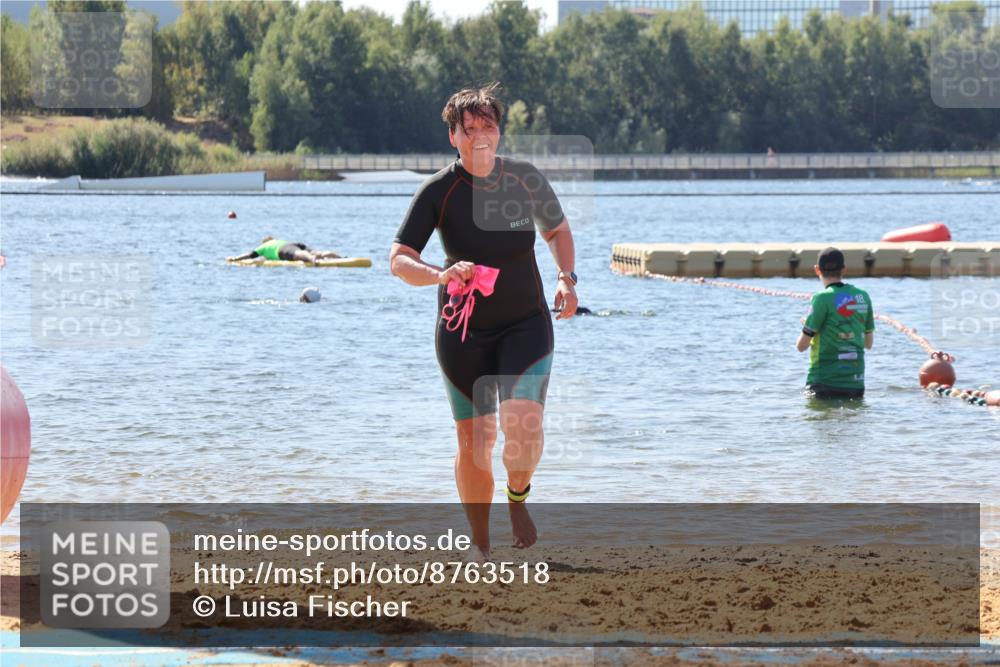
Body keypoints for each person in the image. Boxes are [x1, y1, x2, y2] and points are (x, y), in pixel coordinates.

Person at [389, 83, 578, 563]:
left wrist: (566, 278)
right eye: (468, 128)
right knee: (476, 440)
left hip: (526, 323)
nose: (478, 136)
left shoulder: (525, 179)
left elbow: (556, 229)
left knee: (524, 425)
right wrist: (440, 273)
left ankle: (517, 498)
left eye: (487, 126)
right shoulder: (439, 191)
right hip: (462, 332)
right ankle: (480, 545)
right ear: (453, 136)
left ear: (499, 132)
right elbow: (398, 259)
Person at [795, 247, 875, 399]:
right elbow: (868, 344)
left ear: (817, 270)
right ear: (844, 269)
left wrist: (808, 325)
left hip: (824, 383)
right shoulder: (862, 296)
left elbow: (801, 346)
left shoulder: (821, 298)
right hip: (855, 385)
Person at [227, 237, 340, 264]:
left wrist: (235, 258)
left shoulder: (264, 247)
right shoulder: (276, 240)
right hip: (292, 244)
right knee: (319, 253)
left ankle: (313, 260)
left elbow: (250, 255)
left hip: (283, 250)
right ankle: (341, 258)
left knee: (300, 254)